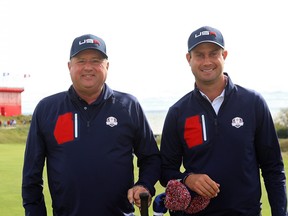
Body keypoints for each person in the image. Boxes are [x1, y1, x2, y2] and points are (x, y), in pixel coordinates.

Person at [22, 34, 161, 216]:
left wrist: (144, 184)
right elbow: (31, 177)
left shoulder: (128, 106)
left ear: (107, 66)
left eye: (96, 60)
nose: (88, 67)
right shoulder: (47, 109)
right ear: (69, 66)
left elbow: (151, 157)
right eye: (81, 61)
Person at [159, 26, 287, 216]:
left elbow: (273, 168)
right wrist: (188, 179)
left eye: (213, 54)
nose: (207, 61)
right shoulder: (178, 112)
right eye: (199, 55)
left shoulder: (253, 103)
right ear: (189, 59)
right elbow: (166, 171)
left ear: (224, 55)